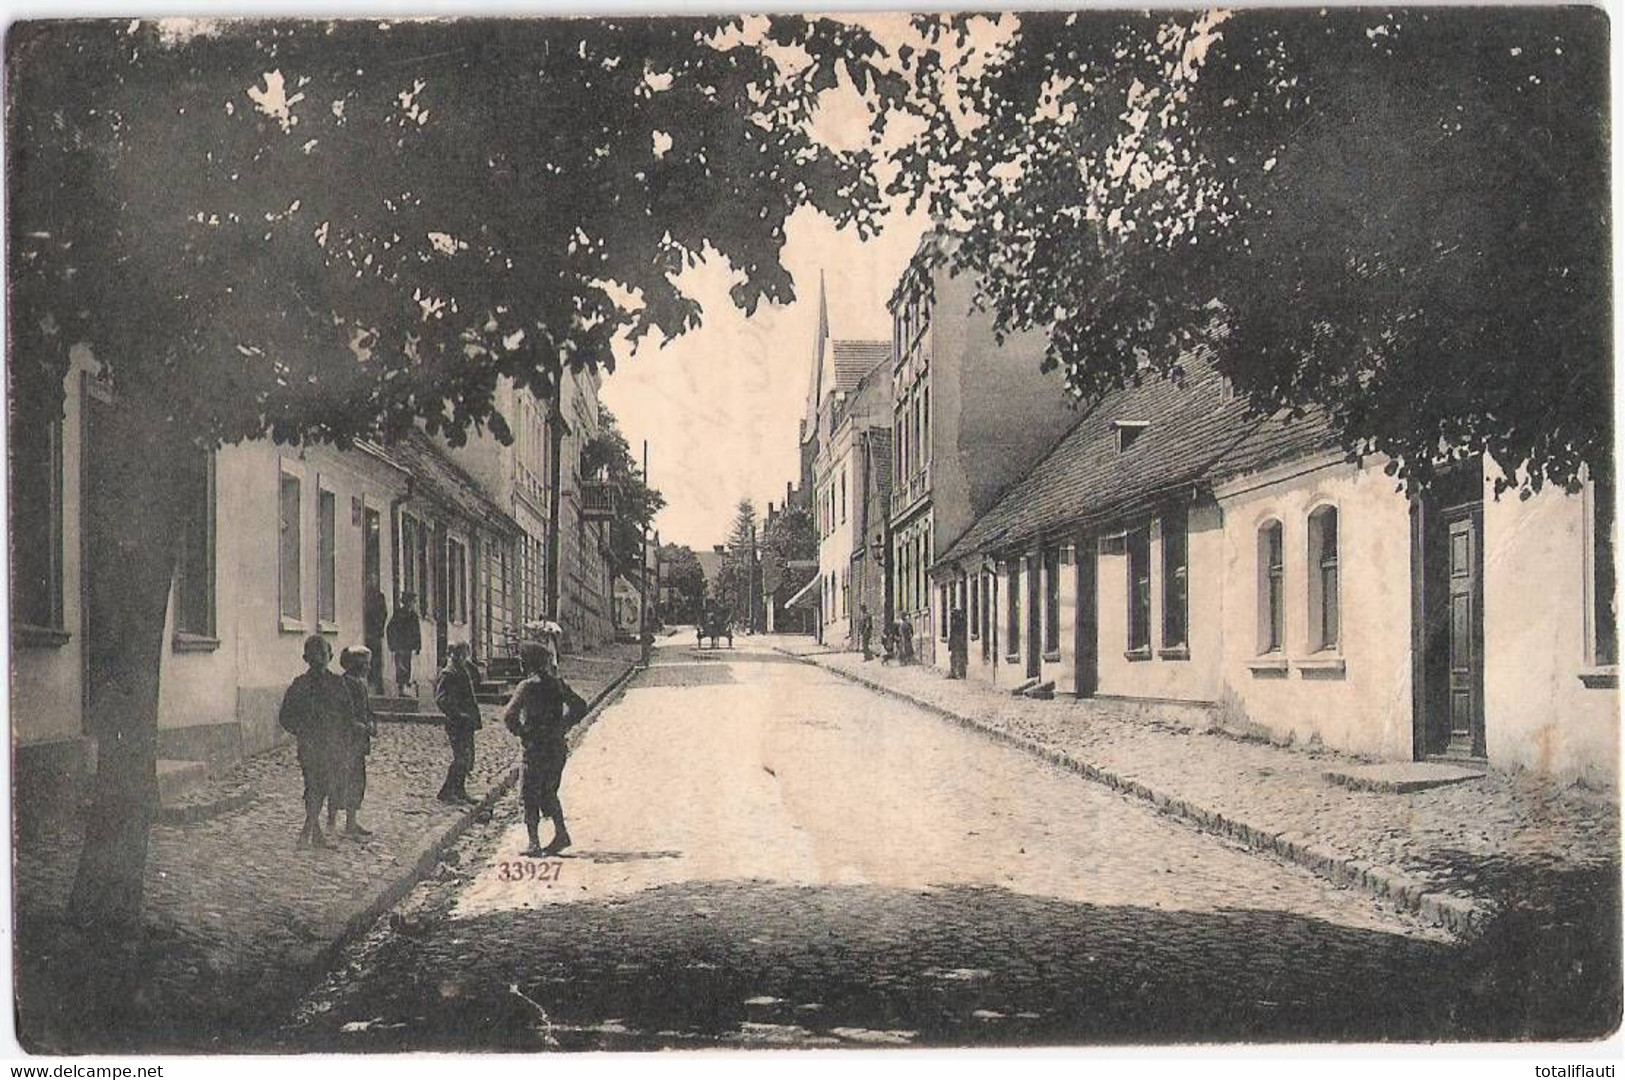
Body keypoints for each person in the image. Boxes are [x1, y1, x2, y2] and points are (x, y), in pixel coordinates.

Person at [501, 640, 590, 857]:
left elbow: (509, 715)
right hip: (557, 747)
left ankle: (534, 843)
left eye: (523, 661)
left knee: (529, 792)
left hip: (536, 748)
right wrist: (564, 725)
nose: (521, 664)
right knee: (549, 792)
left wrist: (523, 733)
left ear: (529, 663)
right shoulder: (557, 684)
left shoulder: (527, 686)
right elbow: (580, 706)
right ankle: (561, 834)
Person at [278, 635, 351, 850]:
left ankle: (314, 834)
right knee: (314, 786)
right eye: (313, 655)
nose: (318, 659)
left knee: (323, 787)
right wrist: (300, 730)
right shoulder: (299, 685)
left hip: (332, 747)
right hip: (309, 746)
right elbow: (285, 717)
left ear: (330, 657)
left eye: (322, 654)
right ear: (305, 658)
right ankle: (306, 832)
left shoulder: (337, 684)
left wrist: (344, 742)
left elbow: (348, 715)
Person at [327, 645, 377, 838]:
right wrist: (361, 726)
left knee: (357, 781)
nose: (368, 668)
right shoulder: (344, 684)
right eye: (365, 664)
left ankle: (351, 822)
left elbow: (367, 709)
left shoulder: (360, 683)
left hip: (358, 742)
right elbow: (342, 714)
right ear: (356, 665)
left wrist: (372, 721)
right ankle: (331, 821)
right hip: (344, 741)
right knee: (339, 779)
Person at [434, 641, 482, 805]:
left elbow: (478, 681)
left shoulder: (464, 670)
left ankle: (460, 790)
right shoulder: (448, 673)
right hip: (456, 722)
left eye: (464, 653)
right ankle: (447, 792)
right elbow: (441, 699)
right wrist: (457, 714)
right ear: (452, 654)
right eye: (459, 654)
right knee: (461, 757)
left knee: (467, 758)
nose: (462, 657)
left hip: (466, 721)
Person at [386, 592, 422, 695]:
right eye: (412, 601)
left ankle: (405, 686)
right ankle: (401, 688)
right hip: (400, 645)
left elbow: (417, 631)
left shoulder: (414, 615)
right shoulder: (399, 614)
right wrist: (393, 644)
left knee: (407, 665)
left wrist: (418, 645)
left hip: (409, 645)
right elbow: (391, 628)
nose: (413, 604)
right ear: (407, 602)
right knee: (401, 666)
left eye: (414, 602)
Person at [363, 588, 389, 694]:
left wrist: (380, 627)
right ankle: (373, 684)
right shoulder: (368, 596)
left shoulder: (379, 597)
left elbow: (384, 614)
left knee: (376, 661)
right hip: (370, 634)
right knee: (372, 660)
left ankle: (377, 685)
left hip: (375, 634)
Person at [949, 604, 969, 679]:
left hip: (958, 645)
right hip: (955, 645)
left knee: (960, 659)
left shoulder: (959, 623)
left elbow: (958, 635)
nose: (951, 616)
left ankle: (961, 674)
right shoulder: (954, 623)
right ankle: (954, 673)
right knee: (954, 659)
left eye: (952, 615)